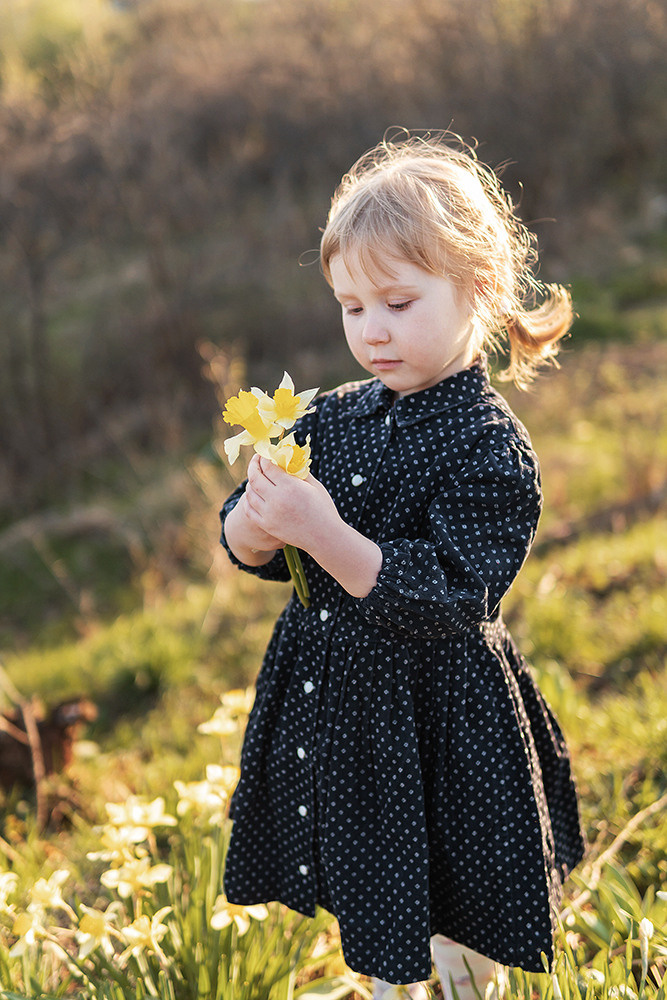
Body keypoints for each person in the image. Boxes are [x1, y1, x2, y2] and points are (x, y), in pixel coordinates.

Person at [219, 132, 585, 996]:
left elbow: (451, 593)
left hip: (443, 720)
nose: (371, 331)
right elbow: (249, 539)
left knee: (456, 925)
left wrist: (324, 533)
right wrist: (260, 526)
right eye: (352, 308)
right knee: (376, 902)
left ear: (480, 292)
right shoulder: (335, 414)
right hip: (349, 715)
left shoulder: (488, 446)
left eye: (396, 302)